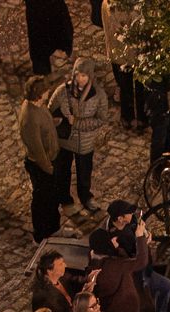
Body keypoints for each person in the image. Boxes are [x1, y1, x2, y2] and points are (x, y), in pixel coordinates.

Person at [53, 61, 108, 216]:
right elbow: (51, 110)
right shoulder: (63, 91)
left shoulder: (99, 95)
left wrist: (77, 123)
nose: (80, 79)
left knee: (84, 171)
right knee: (63, 170)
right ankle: (65, 199)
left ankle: (85, 197)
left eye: (84, 75)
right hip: (65, 140)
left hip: (85, 142)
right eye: (78, 75)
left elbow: (101, 119)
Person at [19, 77, 62, 242]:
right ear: (39, 94)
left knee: (51, 198)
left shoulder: (39, 106)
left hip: (50, 160)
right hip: (41, 166)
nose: (48, 93)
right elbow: (37, 149)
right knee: (42, 200)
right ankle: (42, 232)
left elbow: (45, 123)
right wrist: (49, 168)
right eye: (45, 91)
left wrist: (53, 123)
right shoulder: (29, 117)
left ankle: (53, 228)